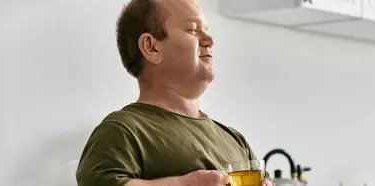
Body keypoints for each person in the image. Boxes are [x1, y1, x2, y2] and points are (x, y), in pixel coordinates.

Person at [75, 0, 273, 185]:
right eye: (193, 30)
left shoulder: (234, 139)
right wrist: (183, 184)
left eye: (206, 30)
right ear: (151, 47)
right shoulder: (121, 131)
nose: (209, 40)